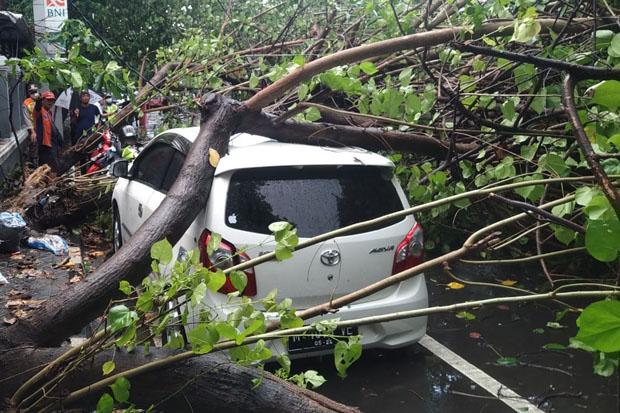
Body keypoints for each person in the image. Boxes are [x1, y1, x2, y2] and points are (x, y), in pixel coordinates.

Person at [33, 91, 62, 173]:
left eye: (52, 100)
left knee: (53, 167)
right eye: (48, 100)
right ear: (43, 100)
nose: (50, 102)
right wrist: (38, 98)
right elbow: (37, 106)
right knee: (50, 168)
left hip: (52, 145)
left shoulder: (49, 112)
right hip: (45, 146)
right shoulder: (39, 111)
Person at [22, 83, 39, 166]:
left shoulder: (40, 99)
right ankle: (33, 162)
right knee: (34, 143)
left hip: (41, 125)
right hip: (33, 127)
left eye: (35, 91)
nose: (34, 93)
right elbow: (27, 118)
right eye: (32, 92)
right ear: (29, 93)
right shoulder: (26, 103)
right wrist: (32, 131)